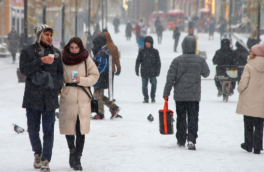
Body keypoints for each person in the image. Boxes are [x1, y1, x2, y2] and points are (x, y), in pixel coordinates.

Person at [19, 24, 63, 171]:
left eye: (50, 35)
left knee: (49, 130)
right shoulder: (27, 51)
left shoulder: (56, 53)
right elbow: (24, 70)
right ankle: (37, 152)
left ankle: (45, 159)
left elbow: (59, 73)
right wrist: (40, 61)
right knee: (32, 129)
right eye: (46, 34)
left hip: (49, 98)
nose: (49, 37)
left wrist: (56, 88)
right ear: (39, 35)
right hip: (32, 97)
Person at [59, 37, 99, 170]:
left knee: (80, 128)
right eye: (72, 48)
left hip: (83, 96)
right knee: (68, 127)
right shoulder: (63, 60)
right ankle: (72, 151)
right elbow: (58, 77)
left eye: (76, 48)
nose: (74, 50)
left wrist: (81, 80)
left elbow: (95, 76)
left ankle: (78, 157)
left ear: (80, 48)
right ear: (68, 48)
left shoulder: (87, 59)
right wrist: (61, 90)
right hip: (68, 96)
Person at [163, 36, 210, 150]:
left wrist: (166, 92)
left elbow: (170, 78)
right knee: (193, 117)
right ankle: (192, 139)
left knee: (181, 117)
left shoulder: (177, 60)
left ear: (183, 46)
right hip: (194, 96)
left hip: (180, 95)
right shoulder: (200, 60)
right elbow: (206, 73)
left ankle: (181, 139)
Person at [236, 43, 264, 154]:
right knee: (259, 123)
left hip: (249, 98)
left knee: (248, 122)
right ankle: (257, 145)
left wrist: (239, 90)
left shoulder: (249, 66)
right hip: (262, 100)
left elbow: (244, 82)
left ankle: (248, 144)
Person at [91, 34, 121, 120]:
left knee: (97, 95)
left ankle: (100, 113)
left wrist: (95, 73)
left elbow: (103, 65)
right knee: (99, 95)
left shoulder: (102, 52)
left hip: (100, 78)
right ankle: (113, 108)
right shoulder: (103, 50)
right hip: (102, 78)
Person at [135, 36, 161, 103]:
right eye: (146, 42)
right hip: (144, 71)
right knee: (144, 85)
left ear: (151, 43)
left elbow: (158, 62)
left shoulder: (155, 52)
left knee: (154, 84)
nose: (147, 44)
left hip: (153, 72)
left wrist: (157, 71)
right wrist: (137, 69)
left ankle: (153, 97)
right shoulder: (142, 51)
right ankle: (146, 98)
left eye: (149, 43)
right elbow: (138, 61)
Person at [102, 31, 122, 109]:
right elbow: (117, 59)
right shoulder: (114, 47)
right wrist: (119, 68)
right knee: (110, 83)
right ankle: (111, 96)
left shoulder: (102, 47)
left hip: (103, 68)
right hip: (111, 69)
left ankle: (102, 97)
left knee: (102, 84)